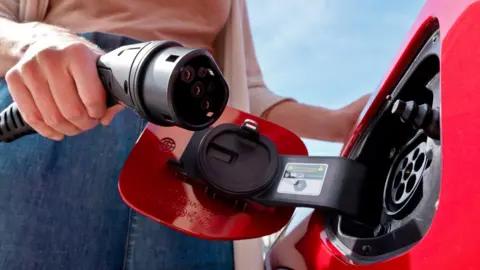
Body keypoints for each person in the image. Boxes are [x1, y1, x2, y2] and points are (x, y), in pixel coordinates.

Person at [0, 0, 370, 269]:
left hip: (196, 157)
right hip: (62, 109)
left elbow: (246, 89)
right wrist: (34, 41)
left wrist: (337, 123)